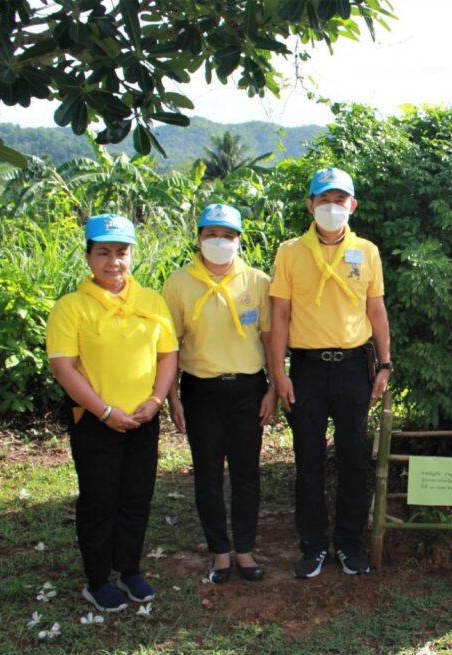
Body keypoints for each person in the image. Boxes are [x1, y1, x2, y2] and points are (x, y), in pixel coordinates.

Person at [45, 214, 178, 611]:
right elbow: (63, 367)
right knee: (99, 499)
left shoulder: (151, 302)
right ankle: (98, 579)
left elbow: (167, 354)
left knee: (137, 496)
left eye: (121, 252)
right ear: (88, 256)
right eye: (103, 252)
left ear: (131, 255)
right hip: (95, 421)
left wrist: (156, 401)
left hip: (143, 419)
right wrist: (105, 412)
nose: (113, 261)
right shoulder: (71, 307)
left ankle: (130, 569)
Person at [270, 167, 392, 578]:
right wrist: (279, 372)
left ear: (352, 205)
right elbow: (280, 314)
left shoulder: (367, 251)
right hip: (306, 368)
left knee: (354, 458)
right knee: (308, 458)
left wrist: (385, 363)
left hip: (353, 367)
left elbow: (376, 310)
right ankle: (313, 545)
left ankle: (349, 544)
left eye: (340, 200)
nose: (332, 207)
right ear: (310, 205)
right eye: (324, 200)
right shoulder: (290, 252)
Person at [162, 204, 277, 584]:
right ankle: (220, 553)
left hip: (248, 389)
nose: (219, 241)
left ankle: (245, 550)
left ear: (239, 239)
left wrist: (274, 388)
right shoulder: (178, 283)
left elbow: (269, 339)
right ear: (198, 238)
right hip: (201, 389)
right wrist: (173, 397)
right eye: (211, 234)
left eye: (228, 235)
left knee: (246, 474)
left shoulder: (257, 282)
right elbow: (170, 345)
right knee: (208, 475)